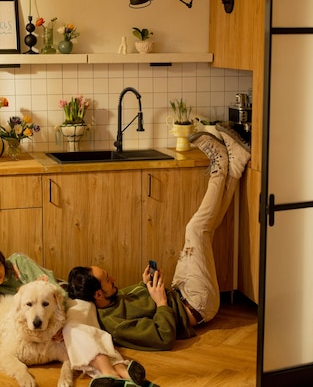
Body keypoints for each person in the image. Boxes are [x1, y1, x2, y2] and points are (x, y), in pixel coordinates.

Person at [67, 125, 251, 351]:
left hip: (180, 289)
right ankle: (220, 165)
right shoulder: (115, 325)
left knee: (205, 230)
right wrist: (161, 301)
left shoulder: (110, 299)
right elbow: (163, 337)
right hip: (196, 304)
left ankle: (235, 167)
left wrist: (146, 284)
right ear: (98, 294)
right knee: (195, 229)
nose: (112, 277)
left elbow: (140, 305)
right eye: (106, 278)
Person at [0, 242, 154, 387]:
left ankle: (116, 365)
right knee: (76, 338)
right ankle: (115, 372)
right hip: (41, 319)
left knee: (78, 329)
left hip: (60, 303)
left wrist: (60, 323)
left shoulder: (18, 263)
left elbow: (52, 286)